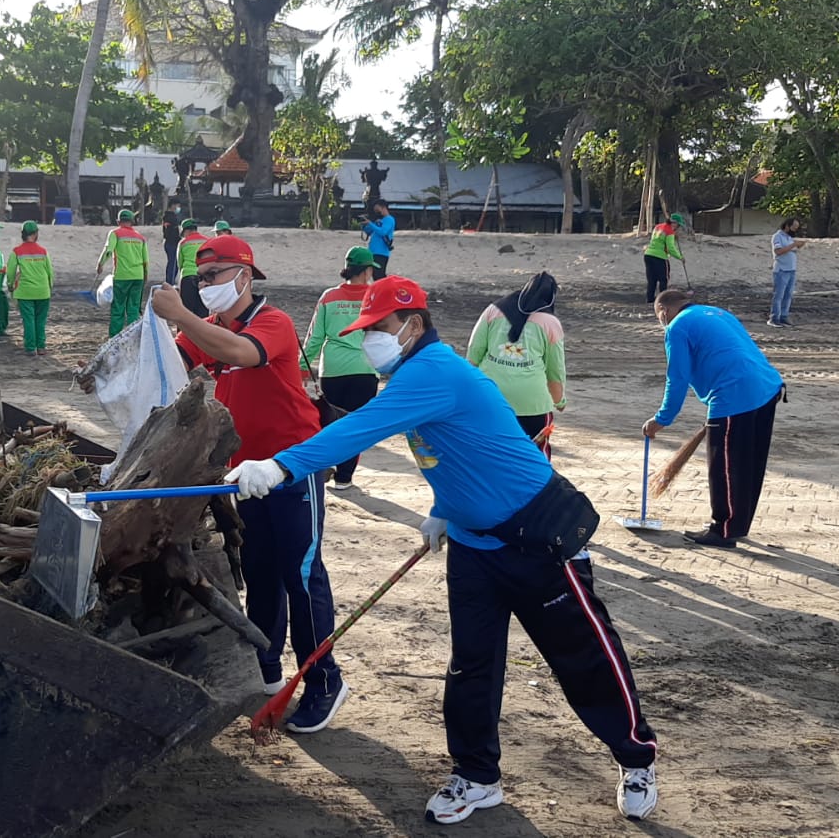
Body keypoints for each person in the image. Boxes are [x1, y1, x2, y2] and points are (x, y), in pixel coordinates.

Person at [224, 276, 659, 824]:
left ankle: (636, 756)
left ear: (413, 325)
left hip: (537, 537)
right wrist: (447, 508)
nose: (369, 341)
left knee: (583, 657)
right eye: (365, 331)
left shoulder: (434, 371)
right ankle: (477, 775)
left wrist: (281, 465)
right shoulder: (413, 373)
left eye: (378, 329)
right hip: (473, 544)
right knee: (472, 665)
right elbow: (456, 449)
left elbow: (360, 428)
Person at [149, 235, 346, 734]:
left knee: (301, 575)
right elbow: (175, 361)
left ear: (243, 276)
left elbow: (243, 352)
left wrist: (181, 315)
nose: (206, 286)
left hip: (295, 465)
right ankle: (267, 664)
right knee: (258, 571)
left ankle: (324, 678)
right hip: (246, 473)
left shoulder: (271, 323)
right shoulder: (210, 328)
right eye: (200, 279)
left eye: (213, 277)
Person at [643, 290, 785, 546]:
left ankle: (723, 530)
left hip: (733, 394)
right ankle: (737, 525)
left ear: (663, 312)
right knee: (748, 465)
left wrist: (662, 419)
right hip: (767, 388)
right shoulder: (717, 312)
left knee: (725, 467)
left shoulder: (676, 327)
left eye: (659, 318)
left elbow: (677, 377)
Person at [299, 246, 380, 489]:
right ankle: (344, 477)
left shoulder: (329, 297)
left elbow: (315, 338)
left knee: (330, 422)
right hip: (366, 369)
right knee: (356, 425)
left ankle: (326, 466)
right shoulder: (375, 296)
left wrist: (302, 368)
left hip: (333, 370)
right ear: (366, 271)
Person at [466, 272, 565, 458]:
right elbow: (555, 371)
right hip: (532, 404)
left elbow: (473, 354)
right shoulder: (551, 323)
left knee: (491, 454)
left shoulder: (493, 310)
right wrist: (559, 400)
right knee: (535, 457)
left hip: (491, 396)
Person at [99, 209, 149, 336]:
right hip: (138, 276)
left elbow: (108, 251)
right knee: (133, 309)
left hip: (122, 276)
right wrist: (145, 276)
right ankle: (132, 337)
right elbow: (146, 261)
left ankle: (114, 337)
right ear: (132, 221)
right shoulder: (140, 237)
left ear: (118, 221)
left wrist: (100, 264)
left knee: (118, 308)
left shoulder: (115, 233)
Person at [7, 220, 53, 356]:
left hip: (25, 291)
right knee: (40, 320)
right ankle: (41, 347)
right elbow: (50, 272)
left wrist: (10, 286)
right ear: (35, 234)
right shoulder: (43, 251)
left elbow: (10, 272)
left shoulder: (17, 251)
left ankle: (30, 347)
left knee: (29, 320)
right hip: (43, 291)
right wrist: (49, 287)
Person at [769, 217, 808, 328]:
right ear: (787, 226)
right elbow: (779, 251)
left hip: (791, 270)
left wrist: (797, 245)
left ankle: (784, 316)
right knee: (779, 295)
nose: (795, 230)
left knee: (788, 295)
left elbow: (790, 251)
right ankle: (774, 318)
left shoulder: (789, 238)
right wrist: (793, 245)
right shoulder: (777, 237)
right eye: (793, 227)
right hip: (781, 270)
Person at [643, 213, 685, 303]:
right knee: (663, 279)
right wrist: (680, 257)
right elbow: (670, 248)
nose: (677, 228)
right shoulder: (670, 231)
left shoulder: (658, 226)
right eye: (678, 226)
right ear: (675, 223)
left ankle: (650, 298)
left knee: (652, 279)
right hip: (660, 256)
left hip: (648, 254)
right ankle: (663, 299)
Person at [175, 218, 209, 317]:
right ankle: (202, 332)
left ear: (187, 230)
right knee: (203, 310)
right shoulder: (207, 241)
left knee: (185, 311)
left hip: (188, 277)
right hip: (204, 278)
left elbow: (179, 263)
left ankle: (183, 332)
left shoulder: (183, 243)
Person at [360, 199, 396, 279]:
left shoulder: (389, 219)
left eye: (377, 209)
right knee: (374, 275)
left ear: (383, 207)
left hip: (381, 252)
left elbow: (383, 232)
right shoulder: (379, 221)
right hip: (373, 251)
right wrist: (365, 225)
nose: (376, 211)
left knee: (379, 275)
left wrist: (371, 223)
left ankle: (385, 290)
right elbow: (370, 231)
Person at [162, 199, 184, 283]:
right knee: (173, 264)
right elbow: (170, 233)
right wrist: (178, 239)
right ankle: (170, 282)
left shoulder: (170, 216)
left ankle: (170, 281)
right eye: (178, 206)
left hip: (170, 243)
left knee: (173, 264)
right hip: (172, 243)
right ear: (173, 205)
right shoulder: (169, 217)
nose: (179, 208)